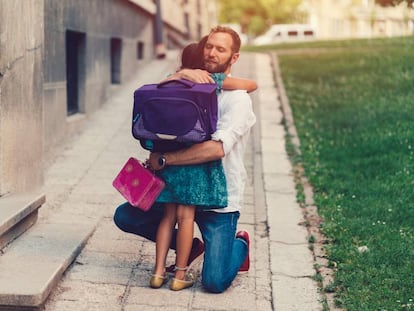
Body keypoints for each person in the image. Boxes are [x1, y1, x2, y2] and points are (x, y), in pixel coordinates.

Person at [114, 25, 256, 293]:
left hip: (219, 198)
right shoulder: (184, 85)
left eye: (221, 49)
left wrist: (164, 160)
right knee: (126, 216)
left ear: (234, 57)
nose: (212, 53)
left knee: (214, 282)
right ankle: (190, 246)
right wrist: (180, 74)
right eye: (209, 46)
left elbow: (215, 149)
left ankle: (240, 245)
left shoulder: (237, 100)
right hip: (181, 187)